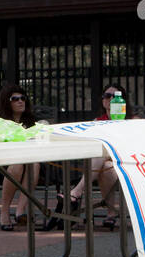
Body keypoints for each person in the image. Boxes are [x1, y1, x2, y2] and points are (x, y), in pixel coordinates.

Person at [45, 85, 128, 230]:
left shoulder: (132, 120)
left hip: (126, 162)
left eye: (115, 97)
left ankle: (75, 192)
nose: (111, 100)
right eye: (107, 96)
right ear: (103, 101)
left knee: (102, 157)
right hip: (104, 165)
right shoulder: (97, 121)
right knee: (106, 165)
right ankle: (111, 213)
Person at [0, 84, 40, 230]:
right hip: (1, 165)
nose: (20, 101)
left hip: (28, 162)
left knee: (35, 164)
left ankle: (20, 211)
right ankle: (4, 212)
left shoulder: (31, 123)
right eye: (15, 99)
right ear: (7, 102)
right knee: (17, 165)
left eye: (23, 98)